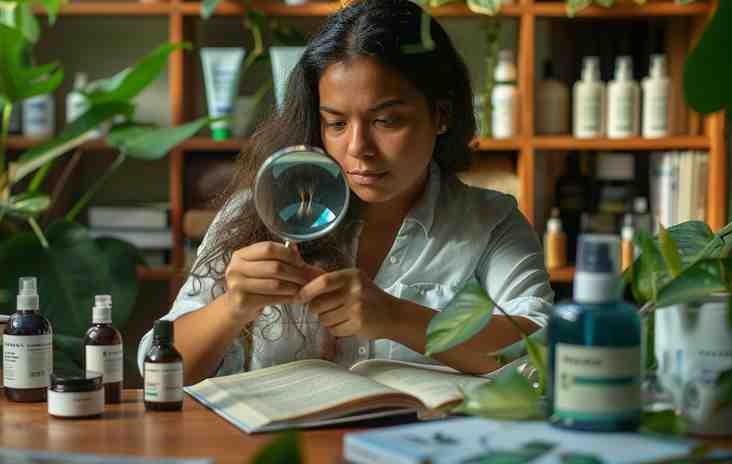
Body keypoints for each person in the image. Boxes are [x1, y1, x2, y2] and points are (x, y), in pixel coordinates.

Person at [138, 0, 554, 385]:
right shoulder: (259, 210)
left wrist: (399, 318)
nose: (358, 149)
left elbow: (547, 354)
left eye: (387, 121)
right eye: (336, 124)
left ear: (440, 115)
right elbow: (156, 368)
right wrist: (231, 309)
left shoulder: (490, 221)